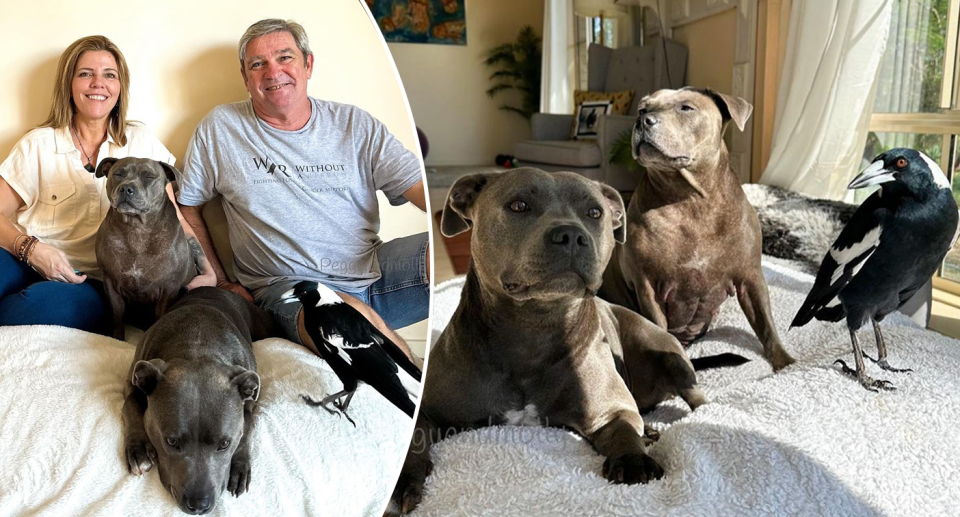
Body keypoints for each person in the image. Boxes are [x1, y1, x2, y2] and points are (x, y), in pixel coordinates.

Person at [177, 19, 429, 361]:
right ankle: (414, 391)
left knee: (479, 249)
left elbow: (419, 187)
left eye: (285, 57)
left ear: (308, 64)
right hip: (289, 289)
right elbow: (188, 206)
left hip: (374, 272)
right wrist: (220, 280)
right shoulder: (220, 129)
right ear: (245, 77)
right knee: (344, 312)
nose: (272, 71)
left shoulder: (355, 124)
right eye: (258, 64)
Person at [0, 35, 216, 333]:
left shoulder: (141, 142)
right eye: (85, 74)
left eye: (109, 75)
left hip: (86, 282)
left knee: (34, 307)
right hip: (24, 258)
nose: (97, 83)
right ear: (69, 84)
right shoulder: (37, 144)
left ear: (119, 87)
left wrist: (209, 272)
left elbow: (175, 218)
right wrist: (32, 250)